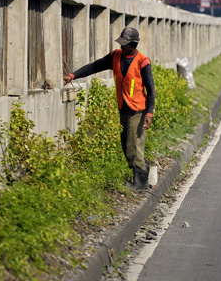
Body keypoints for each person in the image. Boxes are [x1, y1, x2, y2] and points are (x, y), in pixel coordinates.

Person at [63, 27, 155, 190]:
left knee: (135, 145)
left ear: (134, 44)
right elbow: (94, 66)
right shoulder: (115, 56)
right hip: (123, 108)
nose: (122, 46)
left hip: (138, 110)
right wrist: (73, 76)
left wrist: (149, 112)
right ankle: (142, 173)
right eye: (122, 43)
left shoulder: (143, 61)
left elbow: (151, 90)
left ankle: (140, 183)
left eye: (125, 44)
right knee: (126, 145)